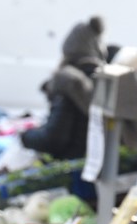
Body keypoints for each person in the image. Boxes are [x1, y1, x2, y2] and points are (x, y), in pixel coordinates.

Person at [20, 15, 107, 159]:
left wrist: (24, 136)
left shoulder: (67, 82)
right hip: (92, 162)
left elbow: (53, 139)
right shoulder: (102, 79)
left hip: (72, 166)